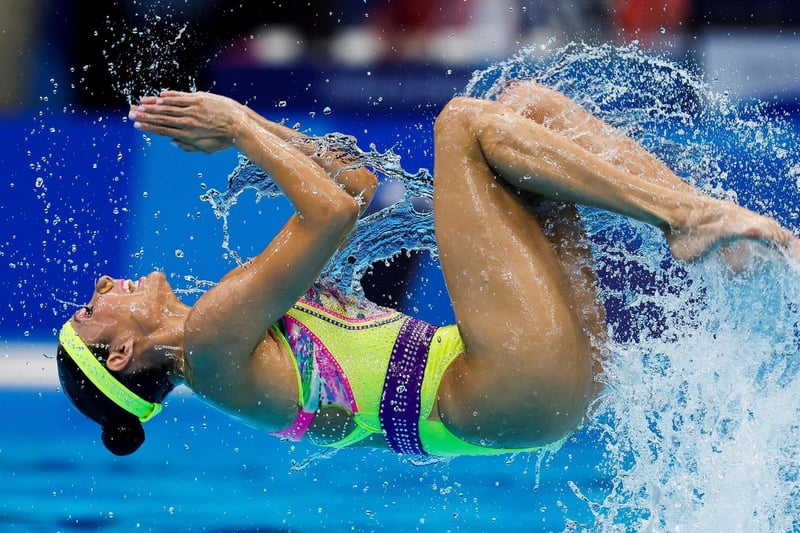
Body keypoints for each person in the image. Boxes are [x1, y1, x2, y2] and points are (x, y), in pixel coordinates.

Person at [56, 81, 800, 456]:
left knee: (524, 105)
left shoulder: (225, 334)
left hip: (527, 394)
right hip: (504, 388)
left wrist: (250, 132)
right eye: (91, 314)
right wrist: (240, 124)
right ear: (121, 355)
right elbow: (332, 213)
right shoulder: (211, 344)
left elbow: (350, 183)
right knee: (462, 123)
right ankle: (686, 219)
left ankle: (704, 221)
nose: (98, 289)